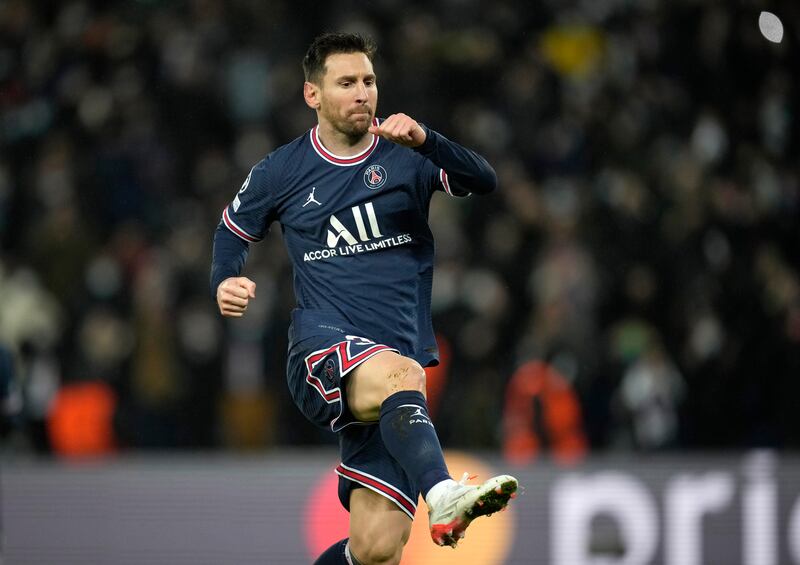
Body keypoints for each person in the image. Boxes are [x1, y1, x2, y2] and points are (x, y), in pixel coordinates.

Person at [210, 32, 518, 565]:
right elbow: (232, 230)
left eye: (369, 82)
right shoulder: (281, 170)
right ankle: (443, 494)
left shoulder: (409, 156)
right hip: (323, 349)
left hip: (393, 376)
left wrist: (430, 141)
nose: (362, 93)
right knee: (404, 375)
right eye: (346, 82)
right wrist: (224, 278)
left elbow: (485, 180)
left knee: (376, 551)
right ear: (313, 95)